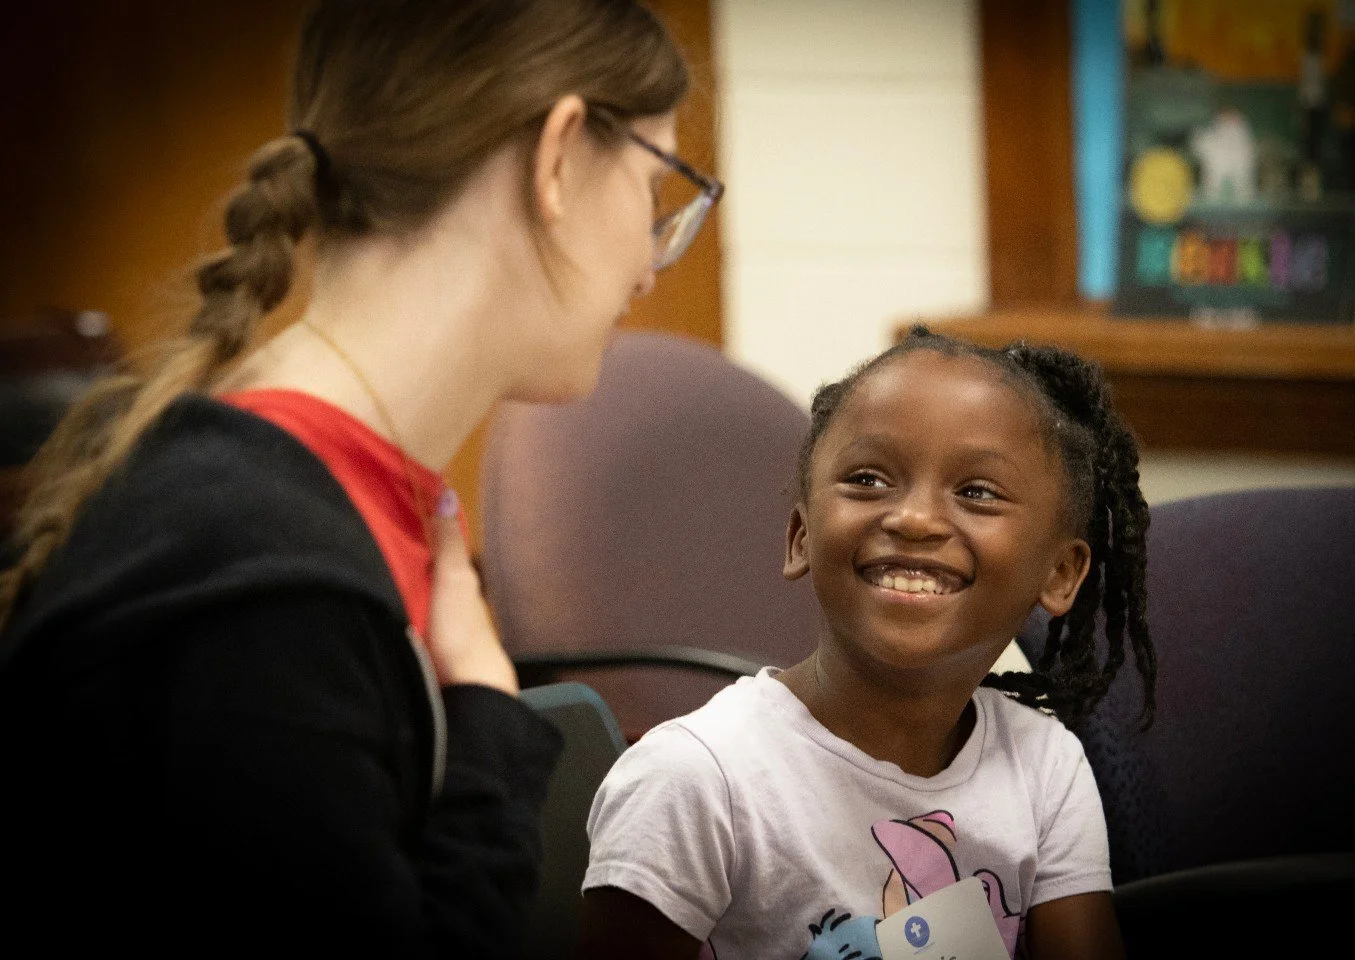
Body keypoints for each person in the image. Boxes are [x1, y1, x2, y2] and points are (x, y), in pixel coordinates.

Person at [0, 0, 721, 953]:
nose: (655, 254)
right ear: (556, 160)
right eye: (657, 183)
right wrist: (485, 724)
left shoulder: (299, 495)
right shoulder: (259, 585)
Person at [579, 327, 1157, 960]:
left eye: (976, 492)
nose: (912, 518)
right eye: (868, 479)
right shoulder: (695, 781)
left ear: (1059, 573)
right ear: (801, 536)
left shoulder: (1044, 767)